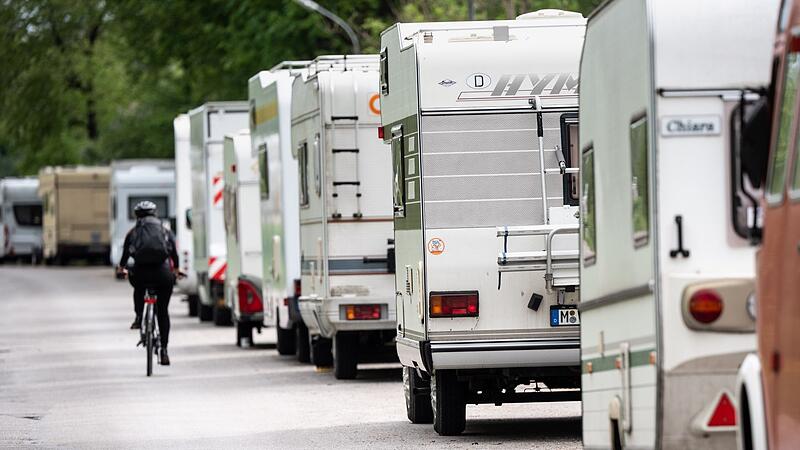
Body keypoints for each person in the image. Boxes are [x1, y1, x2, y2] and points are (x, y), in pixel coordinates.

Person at [116, 200, 181, 366]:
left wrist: (122, 269)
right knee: (163, 311)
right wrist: (176, 270)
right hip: (163, 274)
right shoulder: (165, 230)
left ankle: (138, 317)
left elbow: (124, 257)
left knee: (139, 287)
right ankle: (164, 350)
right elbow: (174, 253)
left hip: (141, 273)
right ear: (155, 214)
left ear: (137, 216)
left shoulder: (133, 232)